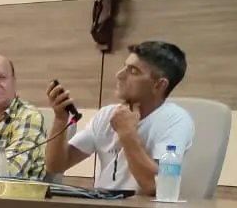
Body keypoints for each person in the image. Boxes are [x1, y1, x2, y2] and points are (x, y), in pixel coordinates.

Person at [45, 41, 193, 195]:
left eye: (133, 71)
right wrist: (60, 119)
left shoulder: (176, 120)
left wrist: (127, 134)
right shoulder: (106, 114)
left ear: (159, 85)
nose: (119, 75)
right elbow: (55, 166)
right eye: (124, 67)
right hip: (103, 204)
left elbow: (155, 187)